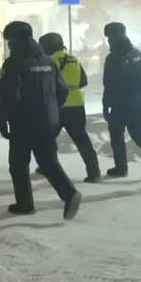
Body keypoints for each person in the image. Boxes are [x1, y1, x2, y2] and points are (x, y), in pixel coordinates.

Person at [0, 21, 82, 220]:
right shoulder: (47, 61)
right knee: (48, 161)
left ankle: (25, 204)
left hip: (24, 123)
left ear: (14, 41)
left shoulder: (14, 63)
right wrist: (51, 110)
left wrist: (3, 120)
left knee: (18, 164)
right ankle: (69, 194)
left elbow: (9, 96)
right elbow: (62, 90)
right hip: (49, 121)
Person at [38, 32, 101, 183]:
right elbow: (83, 82)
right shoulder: (73, 59)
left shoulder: (48, 61)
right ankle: (94, 172)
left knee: (47, 138)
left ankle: (47, 166)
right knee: (82, 139)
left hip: (57, 106)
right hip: (77, 106)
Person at [101, 22, 141, 177]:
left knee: (117, 137)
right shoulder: (136, 53)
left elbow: (109, 83)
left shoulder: (113, 57)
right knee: (139, 136)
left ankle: (121, 168)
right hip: (137, 103)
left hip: (120, 105)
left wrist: (105, 105)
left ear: (113, 37)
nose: (108, 40)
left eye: (109, 37)